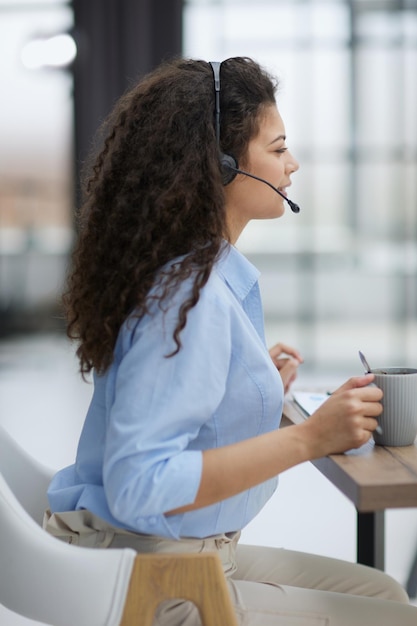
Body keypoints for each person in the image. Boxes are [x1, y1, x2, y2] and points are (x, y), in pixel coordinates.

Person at [45, 57, 416, 625]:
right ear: (219, 166)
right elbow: (138, 485)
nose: (292, 165)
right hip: (157, 578)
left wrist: (247, 378)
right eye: (277, 148)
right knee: (397, 616)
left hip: (171, 552)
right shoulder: (185, 301)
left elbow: (178, 389)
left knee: (388, 597)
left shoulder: (192, 275)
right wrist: (310, 438)